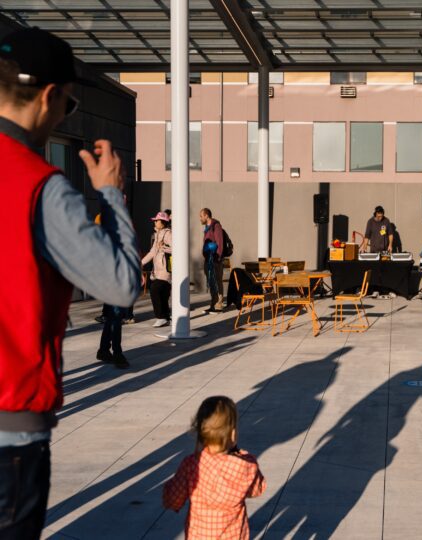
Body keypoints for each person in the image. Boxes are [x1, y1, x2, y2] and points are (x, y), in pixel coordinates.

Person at [0, 28, 140, 538]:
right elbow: (122, 285)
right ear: (47, 96)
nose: (65, 113)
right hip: (10, 424)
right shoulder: (40, 187)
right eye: (70, 102)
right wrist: (111, 196)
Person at [163, 396, 266, 540]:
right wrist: (240, 455)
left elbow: (172, 500)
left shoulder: (192, 465)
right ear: (233, 434)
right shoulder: (246, 466)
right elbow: (257, 490)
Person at [141, 211, 172, 328]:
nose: (154, 222)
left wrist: (164, 247)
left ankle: (160, 317)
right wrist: (141, 263)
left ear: (163, 222)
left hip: (165, 270)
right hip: (157, 271)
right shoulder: (158, 234)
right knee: (162, 294)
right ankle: (166, 317)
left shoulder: (168, 234)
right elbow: (152, 252)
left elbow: (177, 248)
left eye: (156, 220)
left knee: (155, 290)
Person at [199, 208, 225, 313]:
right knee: (211, 282)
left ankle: (219, 305)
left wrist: (217, 259)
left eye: (201, 216)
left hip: (215, 260)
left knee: (217, 281)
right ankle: (213, 304)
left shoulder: (216, 226)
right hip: (208, 260)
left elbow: (220, 243)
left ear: (206, 216)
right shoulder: (207, 228)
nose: (200, 218)